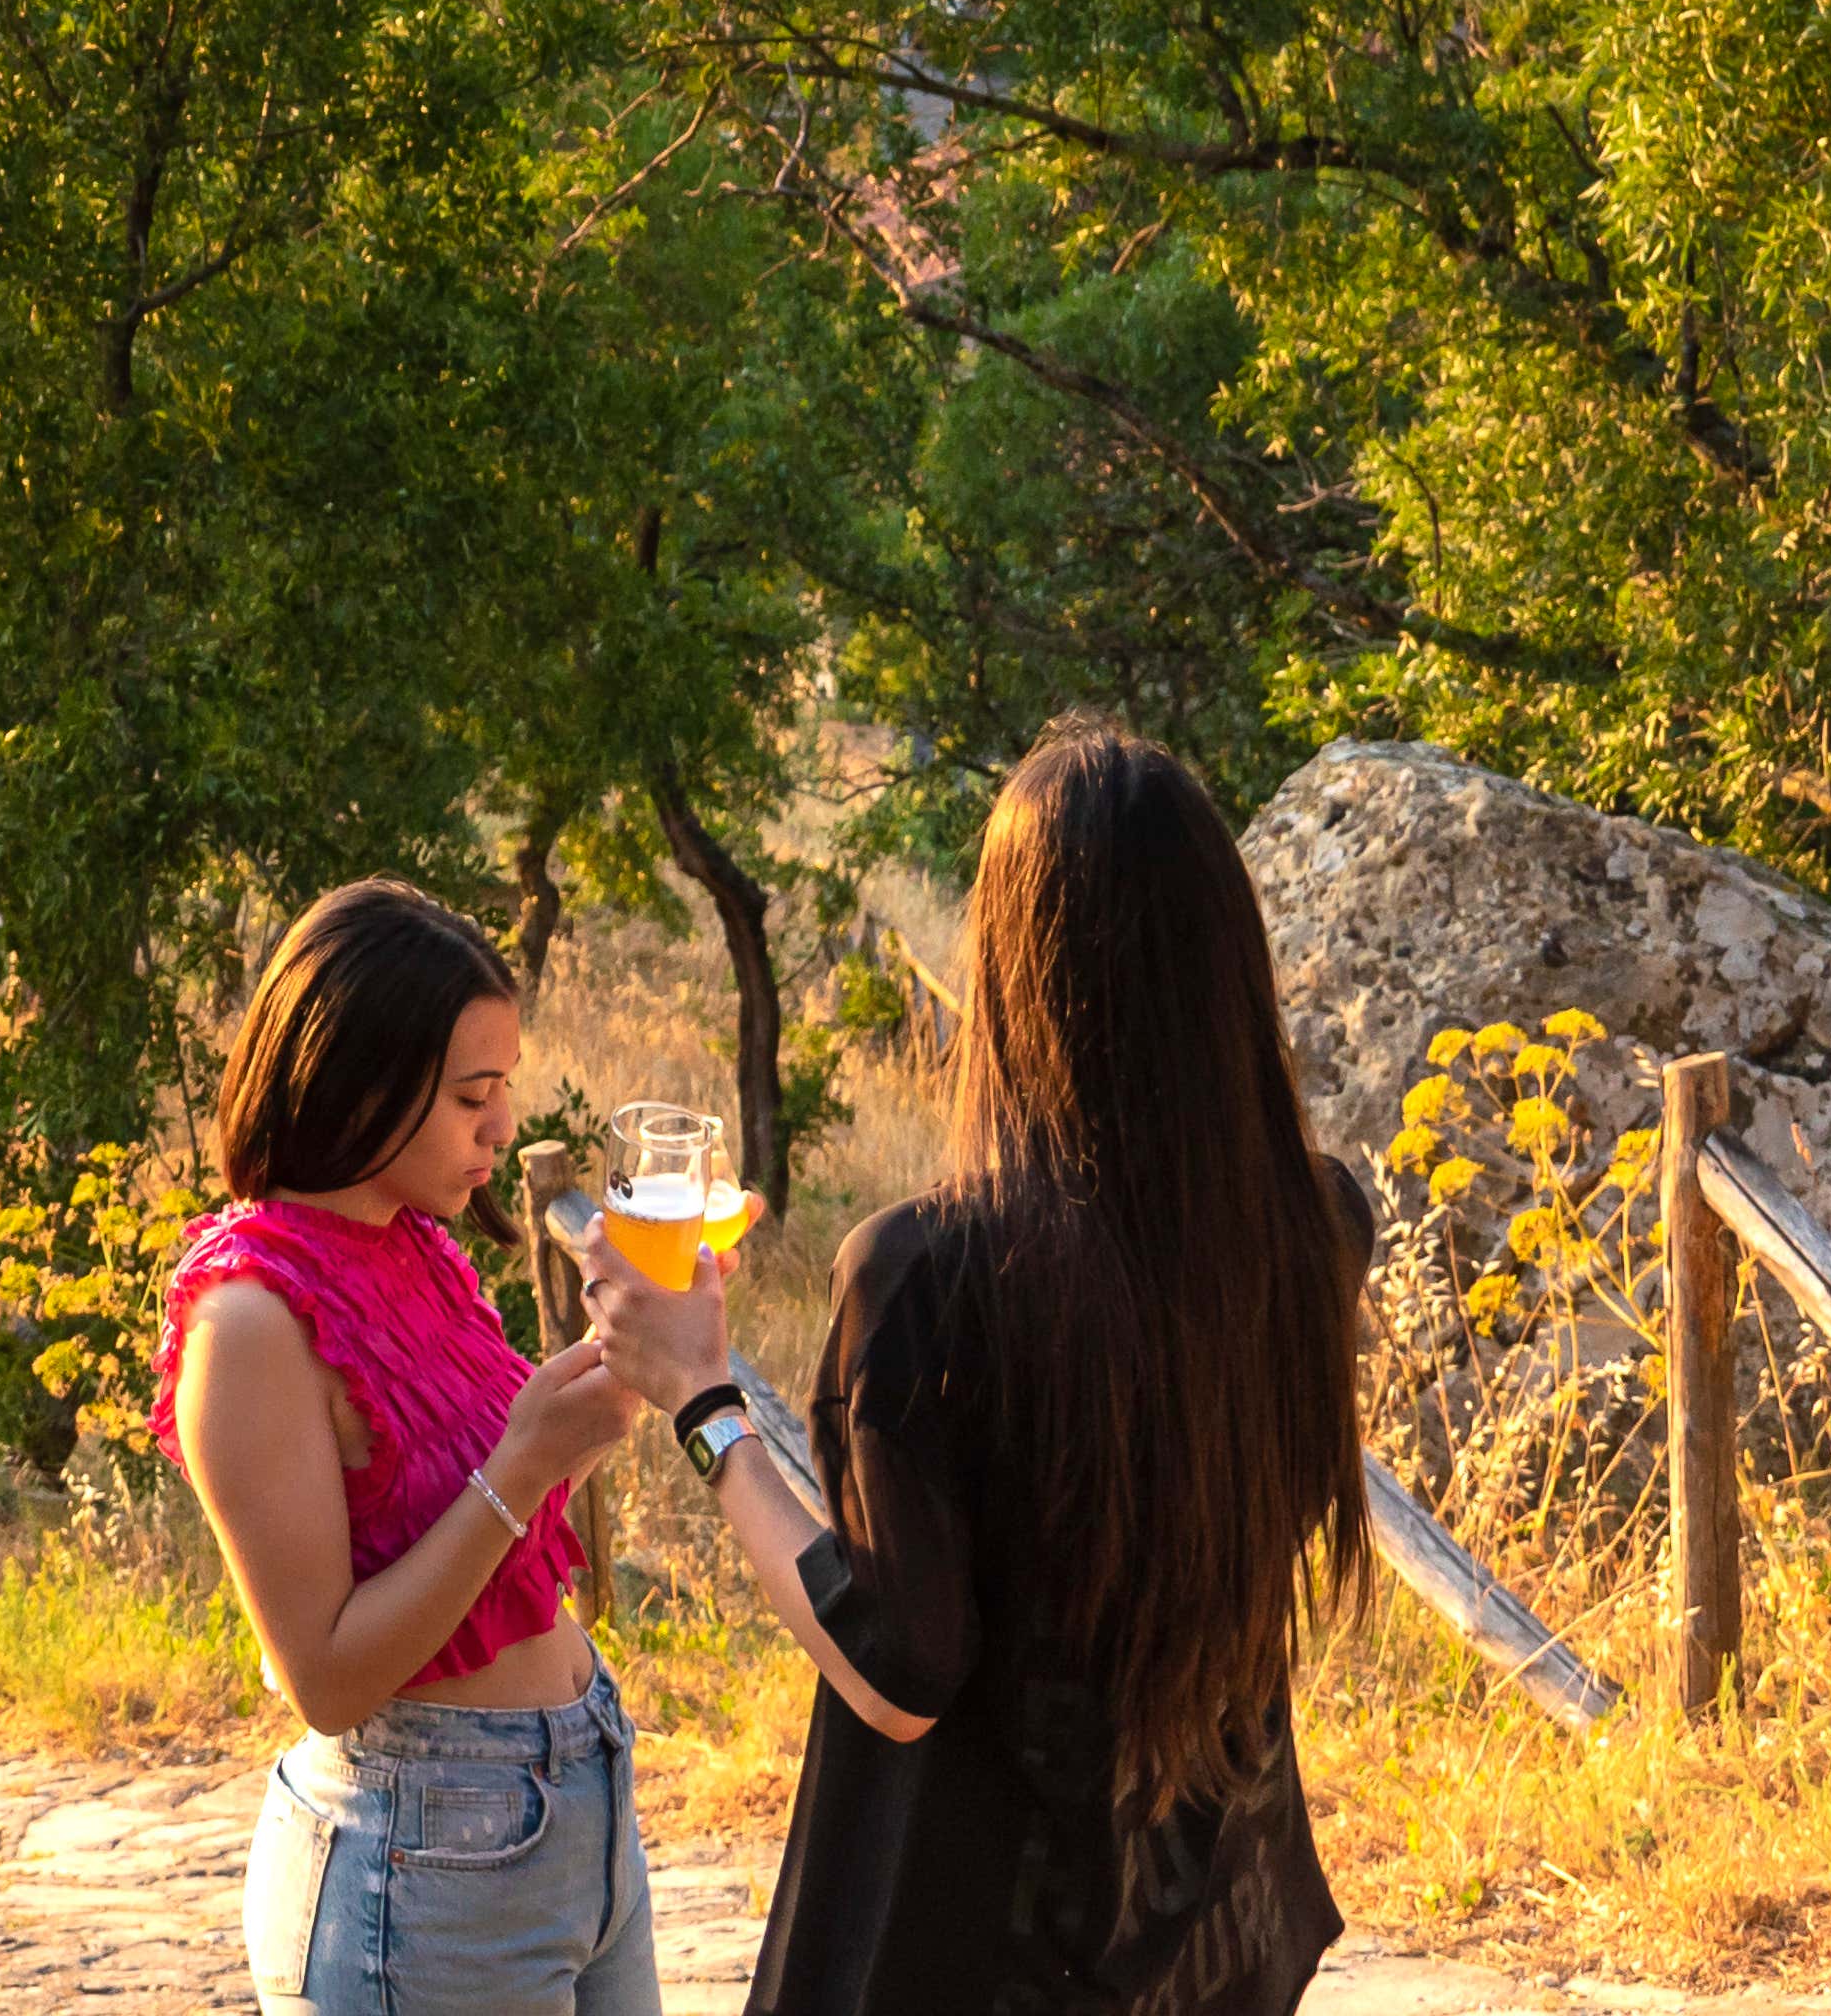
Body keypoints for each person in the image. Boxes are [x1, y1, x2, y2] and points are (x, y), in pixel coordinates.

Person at [586, 723, 1369, 2016]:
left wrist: (702, 1404)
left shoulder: (927, 1276)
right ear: (1226, 963)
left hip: (992, 1960)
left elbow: (898, 1675)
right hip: (1208, 1935)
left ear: (1014, 969)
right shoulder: (1313, 1227)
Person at [161, 879, 663, 2016]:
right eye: (471, 1095)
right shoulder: (249, 1319)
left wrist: (619, 1380)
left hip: (578, 1800)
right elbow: (326, 1678)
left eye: (504, 1087)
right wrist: (527, 1461)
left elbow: (484, 1527)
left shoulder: (415, 1245)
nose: (502, 1125)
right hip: (425, 1858)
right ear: (360, 1080)